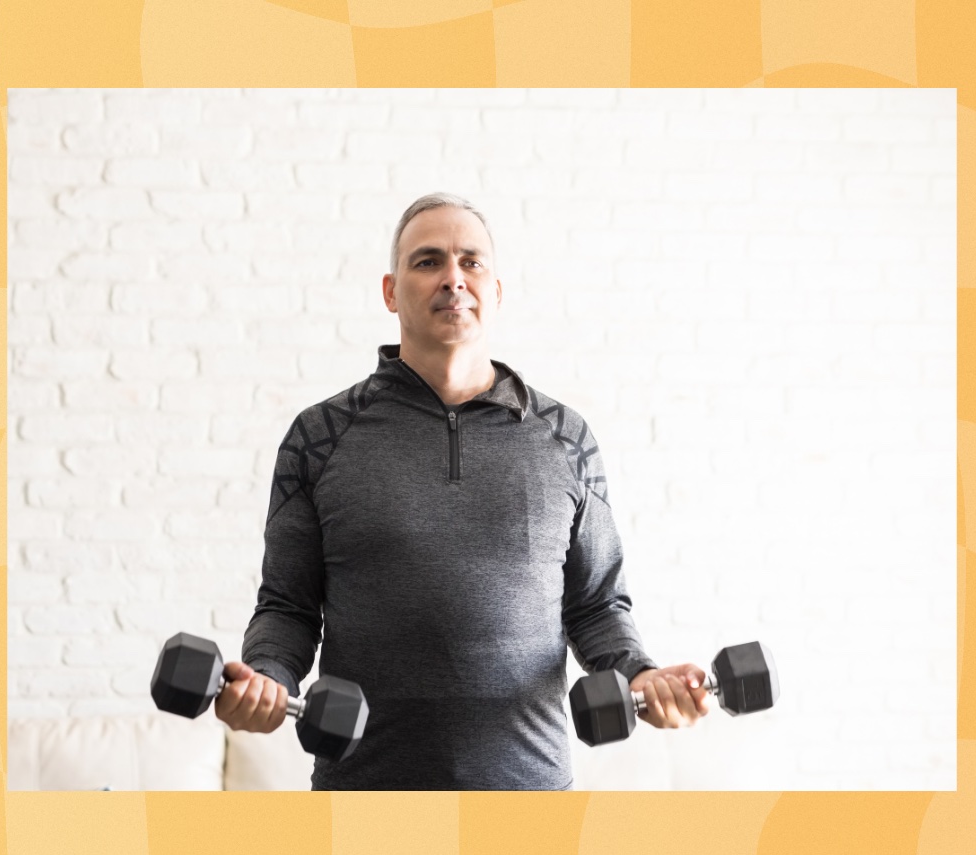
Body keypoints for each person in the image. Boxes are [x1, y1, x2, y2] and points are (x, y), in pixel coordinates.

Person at [214, 193, 709, 790]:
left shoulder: (565, 439)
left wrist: (639, 674)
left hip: (529, 799)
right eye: (427, 262)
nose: (453, 278)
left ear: (496, 290)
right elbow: (288, 607)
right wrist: (267, 677)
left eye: (471, 262)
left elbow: (597, 606)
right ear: (391, 292)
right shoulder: (319, 436)